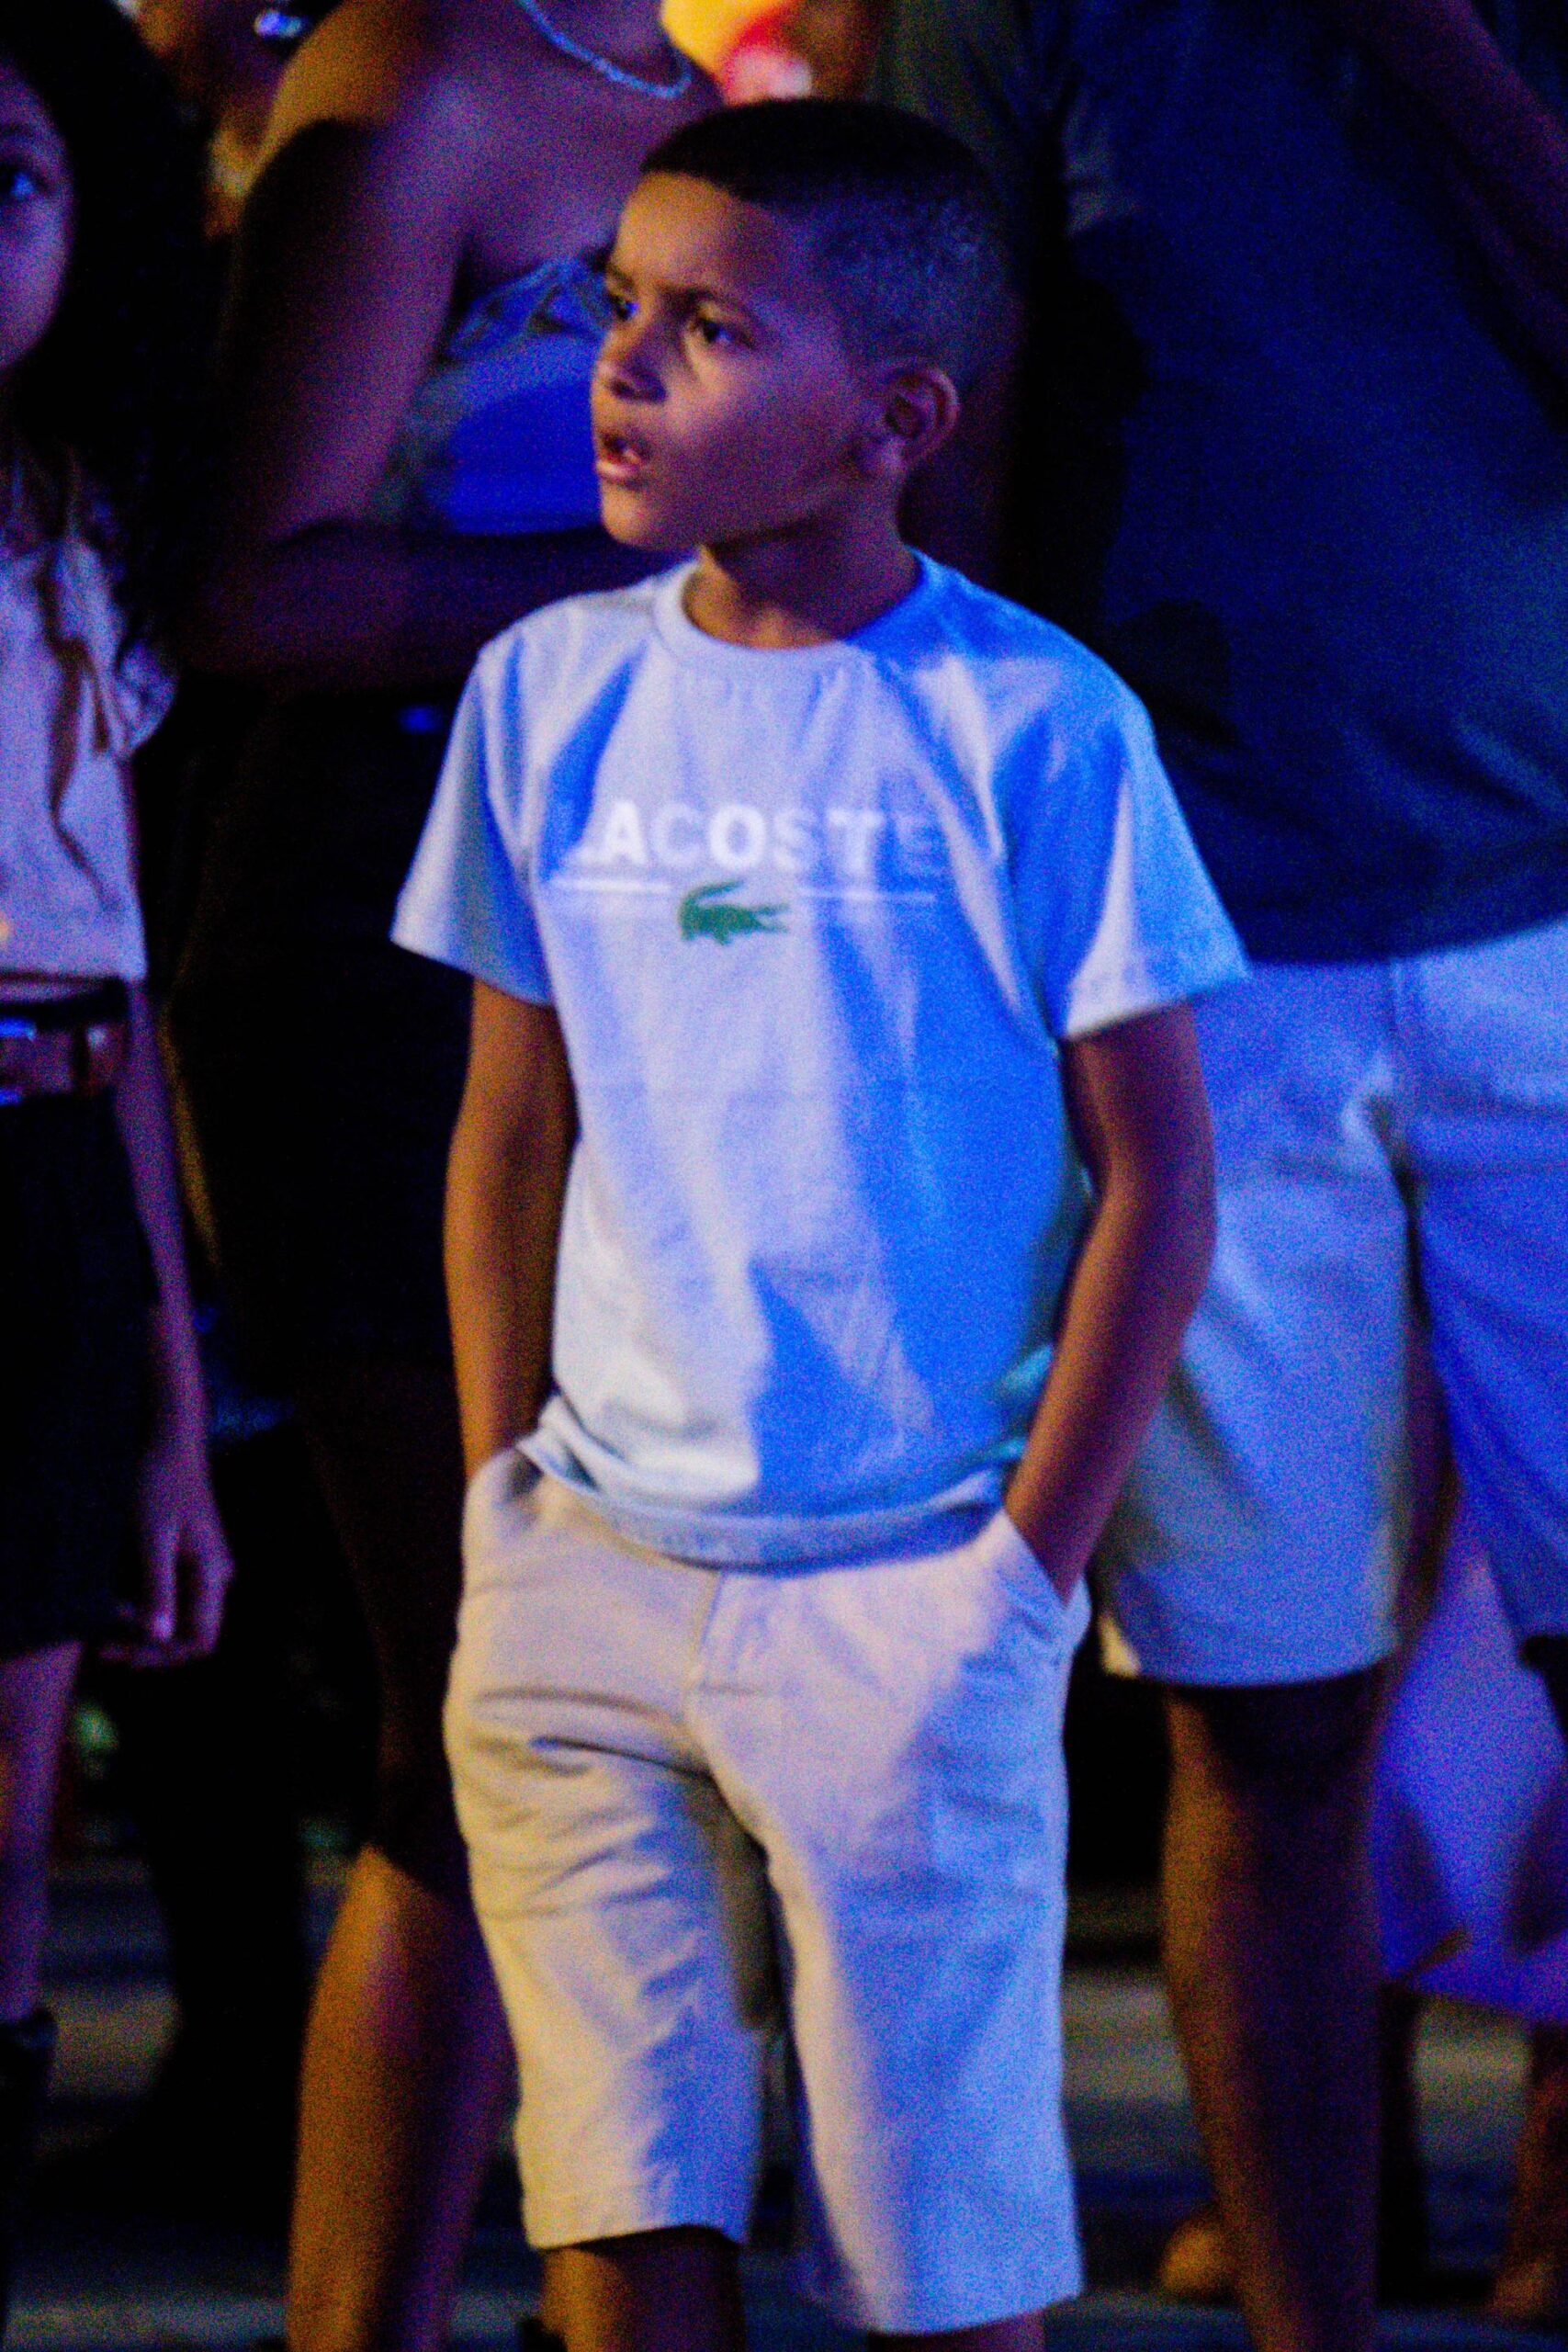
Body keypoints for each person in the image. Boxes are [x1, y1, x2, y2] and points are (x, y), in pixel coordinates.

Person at [393, 98, 1245, 2351]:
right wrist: (499, 1497)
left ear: (896, 422)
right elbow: (507, 1127)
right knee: (613, 2203)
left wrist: (1020, 1570)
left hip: (906, 1578)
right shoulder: (546, 691)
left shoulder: (1030, 722)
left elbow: (1161, 1169)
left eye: (708, 328)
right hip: (585, 1563)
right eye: (616, 305)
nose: (620, 365)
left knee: (932, 2256)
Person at [870, 5, 1568, 2348]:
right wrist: (986, 909)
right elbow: (939, 431)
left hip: (1549, 921)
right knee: (1257, 1712)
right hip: (1188, 948)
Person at [171, 5, 715, 2346]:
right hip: (392, 935)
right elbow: (249, 587)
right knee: (500, 1696)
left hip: (672, 950)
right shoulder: (411, 75)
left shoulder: (714, 90)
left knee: (632, 1719)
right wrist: (678, 587)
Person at [0, 0, 230, 2328]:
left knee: (8, 1830)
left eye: (10, 184)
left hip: (50, 1181)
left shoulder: (78, 529)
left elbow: (121, 989)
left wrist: (170, 1392)